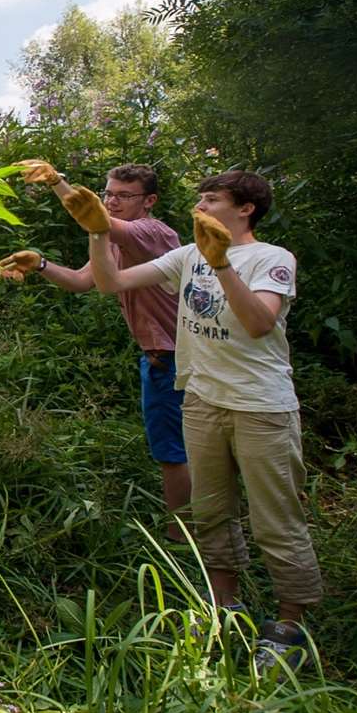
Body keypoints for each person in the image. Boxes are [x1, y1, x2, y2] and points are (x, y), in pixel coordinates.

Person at [79, 170, 319, 671]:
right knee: (210, 514)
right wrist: (99, 233)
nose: (201, 205)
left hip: (261, 406)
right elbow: (110, 283)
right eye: (200, 197)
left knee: (276, 520)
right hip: (202, 401)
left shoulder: (272, 259)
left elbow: (258, 324)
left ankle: (288, 626)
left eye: (212, 198)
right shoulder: (186, 255)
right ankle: (225, 610)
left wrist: (222, 263)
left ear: (245, 208)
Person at [0, 162, 189, 539]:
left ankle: (183, 539)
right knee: (176, 449)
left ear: (149, 201)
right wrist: (40, 264)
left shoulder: (151, 232)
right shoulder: (117, 243)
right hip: (159, 358)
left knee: (174, 453)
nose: (112, 201)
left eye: (124, 195)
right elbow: (82, 281)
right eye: (109, 193)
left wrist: (58, 183)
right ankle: (193, 531)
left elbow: (97, 219)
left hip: (176, 359)